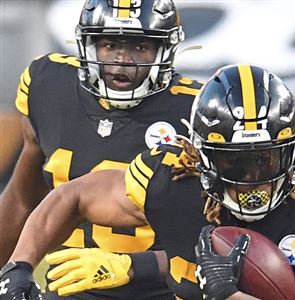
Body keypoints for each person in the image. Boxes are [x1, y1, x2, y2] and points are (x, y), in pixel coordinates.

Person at [1, 64, 295, 300]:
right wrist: (20, 265)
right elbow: (77, 195)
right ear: (197, 153)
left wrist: (228, 294)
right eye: (233, 161)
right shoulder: (172, 180)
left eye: (265, 159)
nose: (251, 180)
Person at [0, 0, 203, 299]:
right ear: (87, 43)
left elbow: (215, 238)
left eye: (139, 47)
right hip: (70, 285)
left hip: (162, 289)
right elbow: (22, 199)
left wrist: (134, 265)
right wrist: (10, 272)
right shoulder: (47, 85)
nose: (122, 61)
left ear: (165, 49)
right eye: (109, 45)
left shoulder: (196, 112)